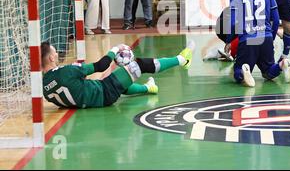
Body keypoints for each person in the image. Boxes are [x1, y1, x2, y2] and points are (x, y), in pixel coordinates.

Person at [41, 41, 194, 108]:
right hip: (104, 92)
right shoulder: (66, 72)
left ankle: (149, 88)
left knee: (123, 83)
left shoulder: (45, 90)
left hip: (94, 96)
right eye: (55, 51)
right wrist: (115, 49)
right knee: (140, 64)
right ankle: (182, 59)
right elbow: (101, 65)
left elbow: (75, 90)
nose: (57, 52)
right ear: (51, 58)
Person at [226, 0, 287, 87]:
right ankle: (282, 65)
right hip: (266, 37)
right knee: (269, 71)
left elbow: (233, 23)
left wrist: (229, 41)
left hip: (248, 40)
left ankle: (244, 71)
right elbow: (275, 20)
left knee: (236, 73)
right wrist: (271, 37)